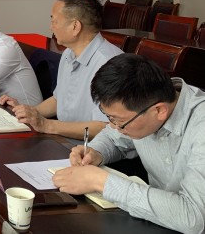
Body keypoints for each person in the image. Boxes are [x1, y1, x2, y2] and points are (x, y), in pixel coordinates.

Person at [53, 54, 205, 233]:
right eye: (110, 118)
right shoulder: (144, 103)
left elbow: (194, 219)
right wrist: (95, 152)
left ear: (159, 111)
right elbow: (112, 137)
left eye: (119, 121)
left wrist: (101, 182)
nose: (114, 126)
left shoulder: (200, 127)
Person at [0, 0, 123, 139]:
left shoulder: (110, 63)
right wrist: (28, 112)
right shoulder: (68, 53)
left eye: (54, 21)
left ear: (75, 26)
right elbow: (58, 100)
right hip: (65, 139)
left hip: (91, 147)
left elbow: (107, 128)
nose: (51, 27)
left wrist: (47, 125)